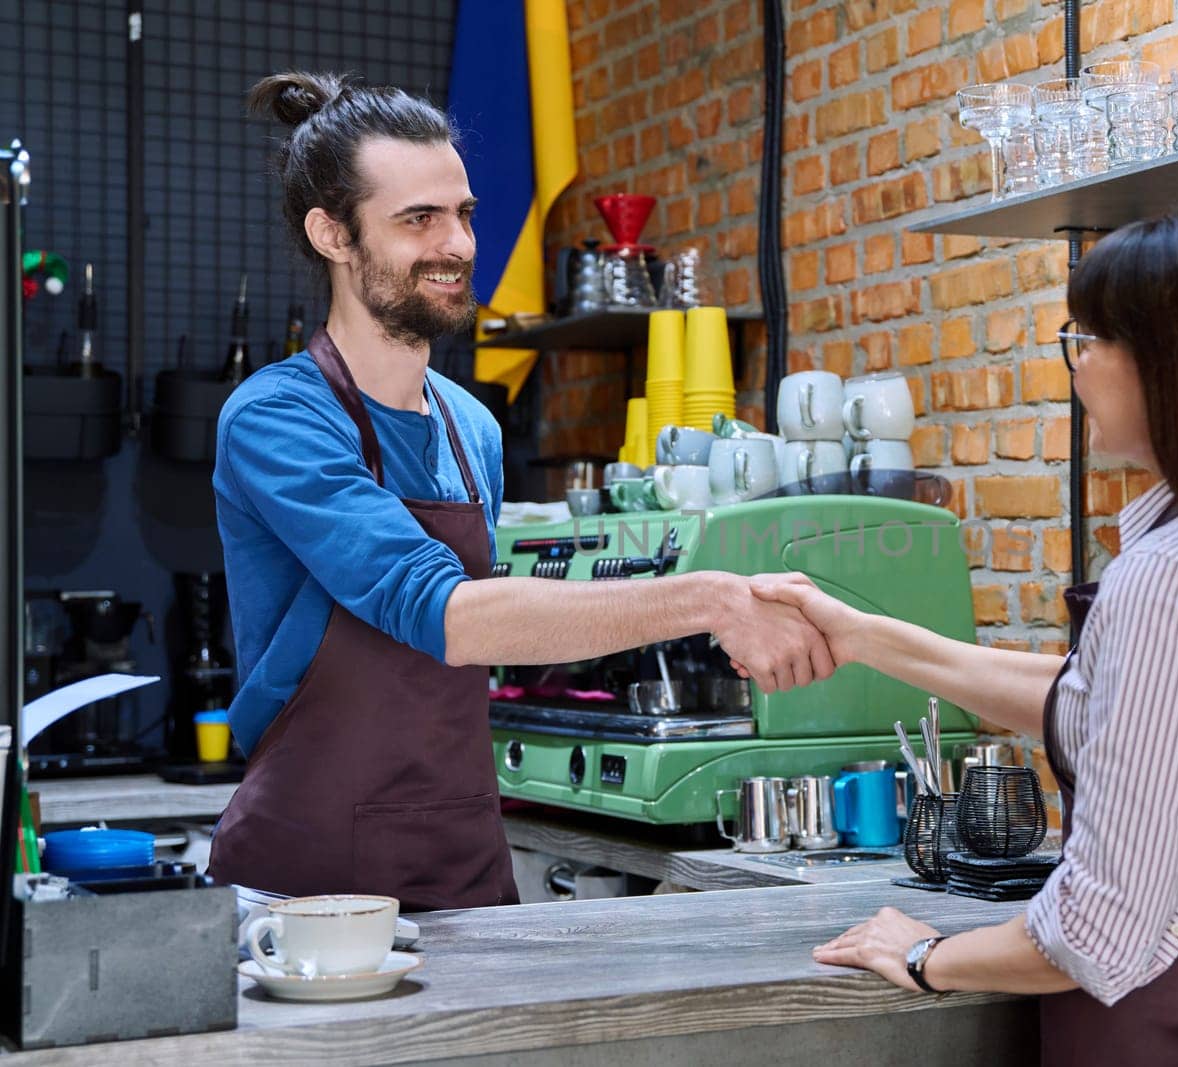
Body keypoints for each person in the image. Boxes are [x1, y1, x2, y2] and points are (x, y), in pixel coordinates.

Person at [748, 205, 1178, 1065]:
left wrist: (919, 952)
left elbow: (1097, 930)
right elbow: (1099, 701)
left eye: (1087, 341)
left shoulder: (1164, 581)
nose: (1077, 368)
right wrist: (862, 636)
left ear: (1170, 365)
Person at [206, 72, 833, 911]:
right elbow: (446, 613)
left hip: (463, 863)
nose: (459, 244)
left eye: (462, 213)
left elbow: (492, 627)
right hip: (306, 883)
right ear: (333, 235)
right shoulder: (276, 417)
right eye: (418, 219)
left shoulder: (473, 428)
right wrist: (712, 598)